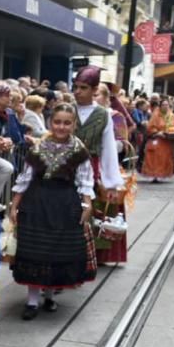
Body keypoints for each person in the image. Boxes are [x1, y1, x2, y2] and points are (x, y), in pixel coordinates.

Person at [8, 103, 95, 319]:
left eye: (67, 123)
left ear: (74, 124)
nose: (61, 127)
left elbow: (85, 180)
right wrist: (14, 205)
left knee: (56, 250)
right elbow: (25, 178)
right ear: (50, 122)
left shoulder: (79, 150)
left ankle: (49, 296)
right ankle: (32, 300)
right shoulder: (37, 148)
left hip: (65, 204)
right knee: (34, 250)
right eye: (57, 122)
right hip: (36, 202)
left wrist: (87, 205)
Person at [72, 66, 126, 264]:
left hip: (91, 168)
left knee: (90, 212)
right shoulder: (67, 109)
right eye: (75, 87)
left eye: (83, 87)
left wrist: (111, 183)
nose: (77, 91)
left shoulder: (103, 115)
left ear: (94, 90)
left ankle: (87, 257)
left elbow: (108, 149)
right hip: (64, 167)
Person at [141, 98, 174, 181]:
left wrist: (173, 131)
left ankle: (163, 174)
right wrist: (157, 133)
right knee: (155, 157)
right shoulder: (155, 115)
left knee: (166, 158)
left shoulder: (172, 115)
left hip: (168, 139)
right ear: (160, 106)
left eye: (167, 105)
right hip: (157, 138)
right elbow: (150, 127)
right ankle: (153, 174)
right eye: (163, 105)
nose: (165, 107)